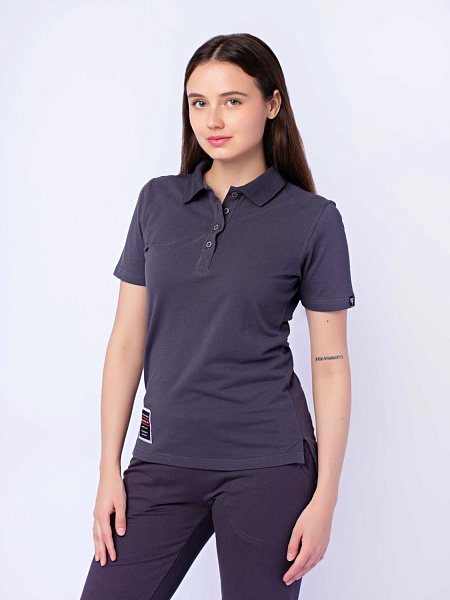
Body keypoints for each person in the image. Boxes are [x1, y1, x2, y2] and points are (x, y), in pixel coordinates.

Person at [80, 32, 356, 600]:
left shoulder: (313, 219)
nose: (213, 119)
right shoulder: (157, 202)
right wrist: (109, 468)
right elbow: (127, 340)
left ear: (272, 104)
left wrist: (326, 494)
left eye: (233, 100)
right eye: (198, 102)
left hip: (269, 467)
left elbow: (330, 362)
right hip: (161, 459)